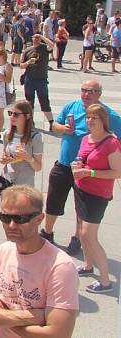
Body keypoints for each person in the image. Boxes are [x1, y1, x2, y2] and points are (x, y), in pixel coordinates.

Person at [0, 185, 79, 337]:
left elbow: (58, 334)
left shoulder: (60, 267)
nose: (11, 225)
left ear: (39, 219)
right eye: (5, 217)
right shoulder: (3, 251)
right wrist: (32, 317)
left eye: (20, 219)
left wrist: (0, 317)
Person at [42, 80, 121, 255]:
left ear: (99, 94)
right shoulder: (72, 105)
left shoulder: (106, 113)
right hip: (64, 164)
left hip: (86, 171)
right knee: (53, 200)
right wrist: (63, 128)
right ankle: (47, 233)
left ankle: (76, 239)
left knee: (81, 208)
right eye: (84, 90)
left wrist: (111, 155)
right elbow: (54, 125)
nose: (86, 94)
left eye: (91, 91)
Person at [70, 104, 120, 293]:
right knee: (82, 232)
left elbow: (118, 172)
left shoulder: (111, 143)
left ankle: (105, 281)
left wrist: (89, 172)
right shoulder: (85, 139)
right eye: (88, 117)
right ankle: (87, 264)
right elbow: (83, 159)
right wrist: (78, 164)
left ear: (103, 121)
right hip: (81, 189)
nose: (90, 121)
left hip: (98, 195)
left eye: (95, 118)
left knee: (90, 235)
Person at [0, 100, 43, 189]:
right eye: (10, 113)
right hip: (7, 182)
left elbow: (38, 167)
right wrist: (4, 159)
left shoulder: (35, 137)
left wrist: (27, 157)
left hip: (24, 186)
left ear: (27, 116)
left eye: (16, 114)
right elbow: (4, 157)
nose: (12, 117)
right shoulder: (7, 134)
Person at [20, 33, 56, 129]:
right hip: (29, 80)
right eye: (34, 38)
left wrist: (42, 37)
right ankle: (30, 122)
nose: (36, 39)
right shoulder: (27, 50)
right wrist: (28, 62)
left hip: (41, 80)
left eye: (38, 38)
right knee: (29, 102)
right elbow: (21, 65)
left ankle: (51, 123)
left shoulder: (44, 48)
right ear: (32, 39)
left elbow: (52, 45)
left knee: (44, 102)